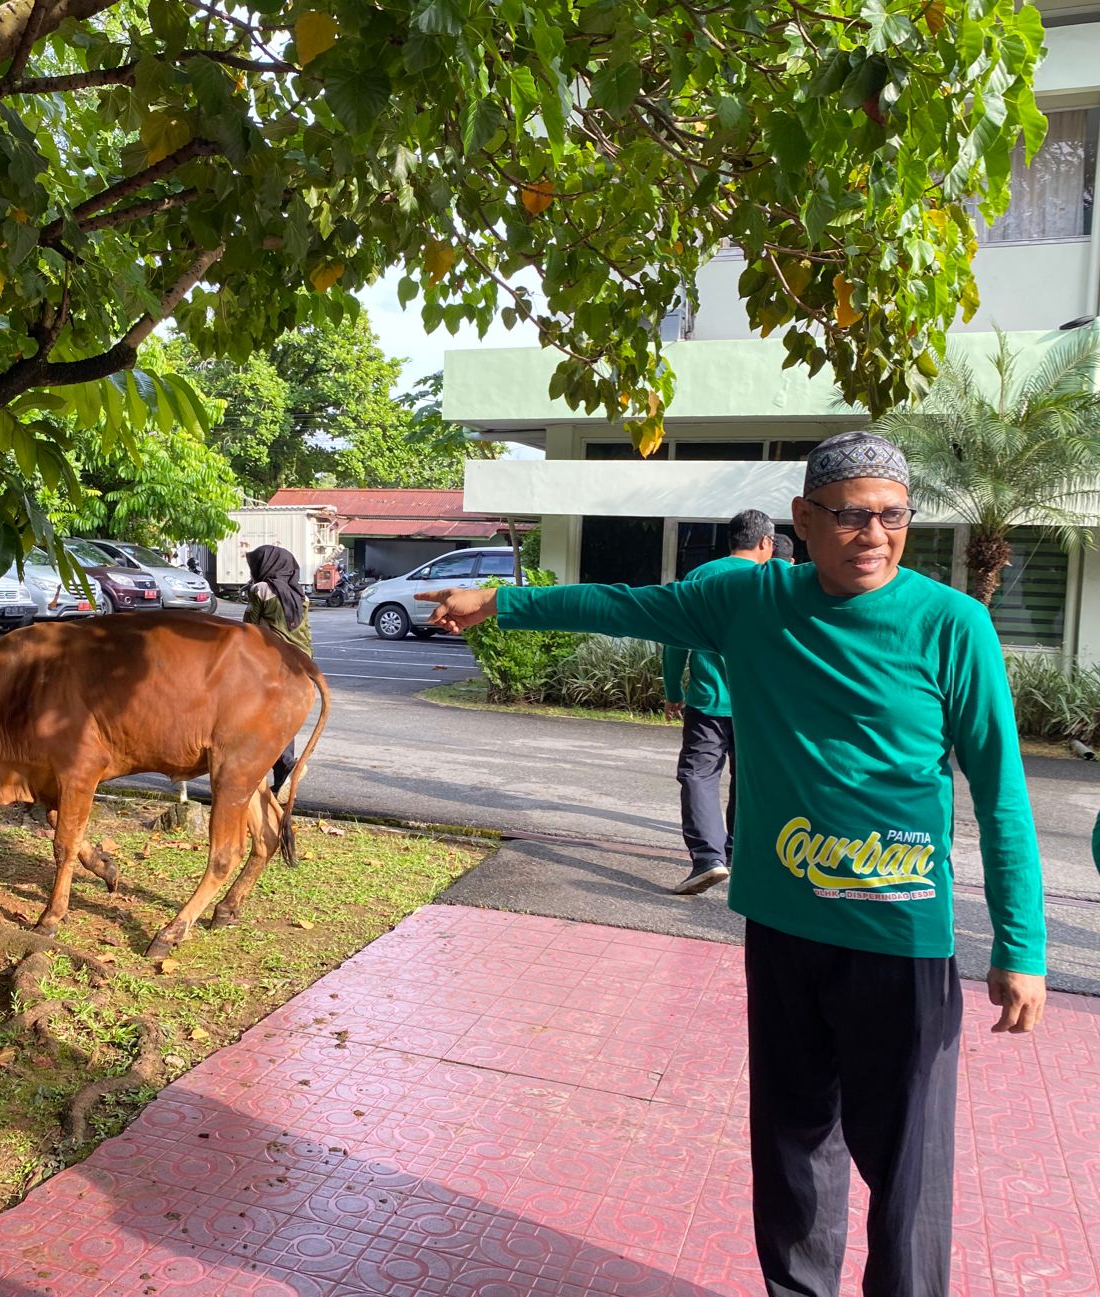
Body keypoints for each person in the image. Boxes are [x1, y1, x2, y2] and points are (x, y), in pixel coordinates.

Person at [416, 431, 1045, 1297]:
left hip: (900, 940)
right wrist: (499, 600)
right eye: (851, 515)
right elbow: (625, 605)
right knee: (792, 1148)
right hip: (785, 929)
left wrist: (1021, 945)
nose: (874, 534)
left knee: (908, 1172)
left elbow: (1002, 793)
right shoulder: (750, 600)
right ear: (802, 520)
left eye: (893, 516)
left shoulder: (952, 625)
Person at [661, 510, 776, 895]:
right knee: (750, 779)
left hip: (708, 703)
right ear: (765, 542)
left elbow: (675, 640)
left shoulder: (699, 577)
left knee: (699, 776)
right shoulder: (773, 580)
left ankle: (708, 859)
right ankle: (738, 854)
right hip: (759, 707)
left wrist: (673, 690)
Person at [243, 544, 312, 791]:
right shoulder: (300, 594)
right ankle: (283, 773)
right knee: (284, 718)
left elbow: (248, 627)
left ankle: (283, 766)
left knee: (256, 716)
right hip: (302, 664)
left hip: (272, 662)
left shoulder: (261, 589)